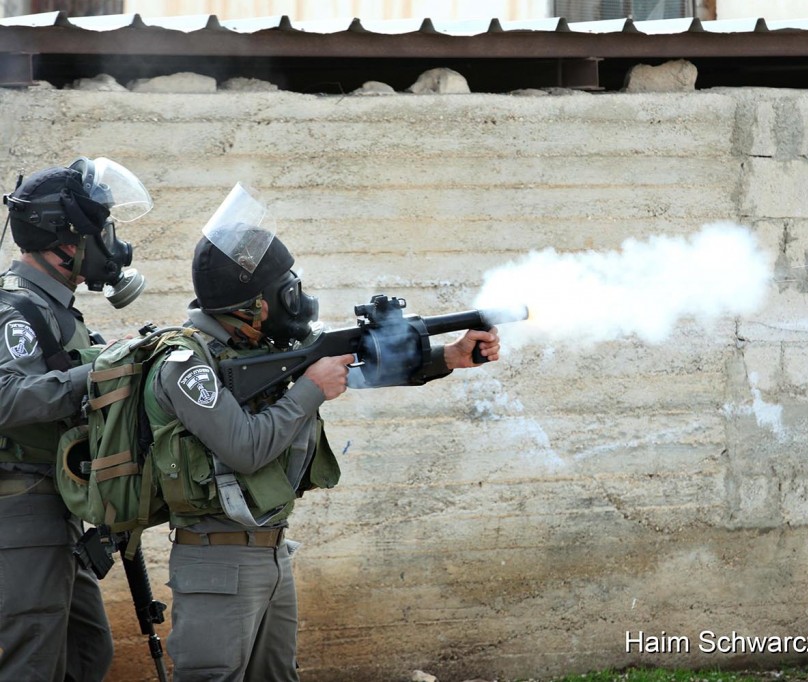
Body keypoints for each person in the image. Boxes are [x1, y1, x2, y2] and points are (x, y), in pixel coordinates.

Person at [147, 183, 500, 681]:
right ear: (255, 303)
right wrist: (309, 390)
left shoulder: (256, 350)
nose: (298, 296)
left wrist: (446, 357)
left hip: (271, 551)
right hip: (216, 563)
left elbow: (347, 368)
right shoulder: (188, 366)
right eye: (286, 288)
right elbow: (245, 449)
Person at [0, 157, 153, 681]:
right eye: (100, 229)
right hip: (22, 508)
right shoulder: (15, 308)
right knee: (30, 662)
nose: (110, 242)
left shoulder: (54, 307)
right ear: (62, 241)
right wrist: (104, 374)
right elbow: (6, 399)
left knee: (86, 655)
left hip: (56, 509)